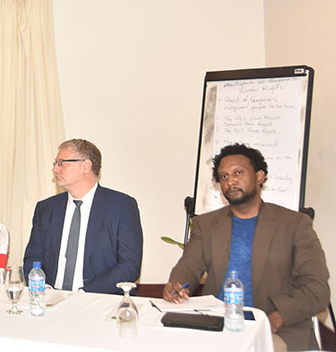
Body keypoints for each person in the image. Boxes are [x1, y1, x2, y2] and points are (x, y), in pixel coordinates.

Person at [163, 143, 329, 351]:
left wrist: (278, 317)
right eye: (223, 176)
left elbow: (317, 290)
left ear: (260, 176)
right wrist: (176, 284)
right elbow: (189, 265)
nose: (230, 181)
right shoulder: (206, 225)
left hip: (277, 329)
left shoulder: (295, 224)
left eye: (238, 173)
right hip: (217, 325)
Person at [23, 139, 143, 293]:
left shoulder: (122, 207)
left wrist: (84, 294)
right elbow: (33, 256)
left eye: (61, 163)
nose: (54, 169)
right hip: (50, 300)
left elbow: (129, 265)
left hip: (99, 301)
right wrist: (43, 288)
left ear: (86, 166)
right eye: (55, 163)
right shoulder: (46, 208)